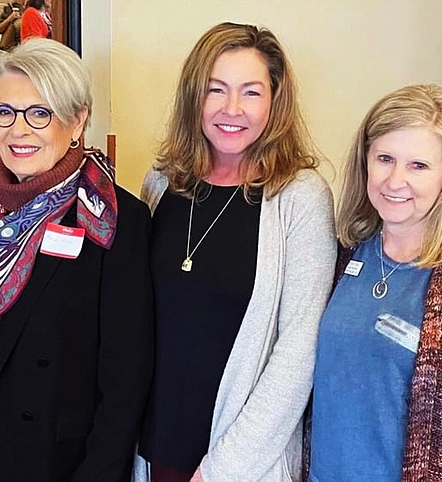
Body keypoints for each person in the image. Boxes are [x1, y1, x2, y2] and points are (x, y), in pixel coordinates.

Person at [135, 22, 336, 482]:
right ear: (194, 97)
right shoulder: (162, 181)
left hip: (238, 457)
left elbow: (300, 349)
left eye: (251, 92)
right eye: (216, 89)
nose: (232, 109)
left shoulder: (300, 196)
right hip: (156, 443)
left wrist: (224, 469)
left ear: (275, 101)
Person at [0, 37, 154, 481]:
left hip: (59, 461)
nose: (17, 130)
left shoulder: (116, 219)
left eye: (40, 113)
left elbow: (126, 376)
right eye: (4, 112)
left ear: (77, 120)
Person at [307, 84, 442, 481]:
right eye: (385, 158)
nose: (395, 180)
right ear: (366, 161)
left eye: (418, 166)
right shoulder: (343, 251)